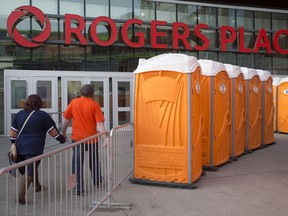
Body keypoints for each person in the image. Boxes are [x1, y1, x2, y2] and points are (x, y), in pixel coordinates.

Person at [10, 94, 65, 205]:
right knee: (29, 170)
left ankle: (37, 186)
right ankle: (21, 195)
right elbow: (53, 132)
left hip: (20, 147)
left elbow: (13, 131)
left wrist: (12, 143)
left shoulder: (20, 114)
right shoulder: (42, 115)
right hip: (34, 148)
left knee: (32, 166)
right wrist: (61, 139)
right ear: (39, 103)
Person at [62, 84, 108, 197]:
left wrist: (63, 133)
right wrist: (105, 138)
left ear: (81, 92)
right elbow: (100, 124)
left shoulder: (73, 102)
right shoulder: (94, 105)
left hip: (77, 140)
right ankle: (97, 182)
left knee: (76, 164)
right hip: (92, 140)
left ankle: (78, 190)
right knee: (94, 161)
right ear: (92, 94)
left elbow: (66, 120)